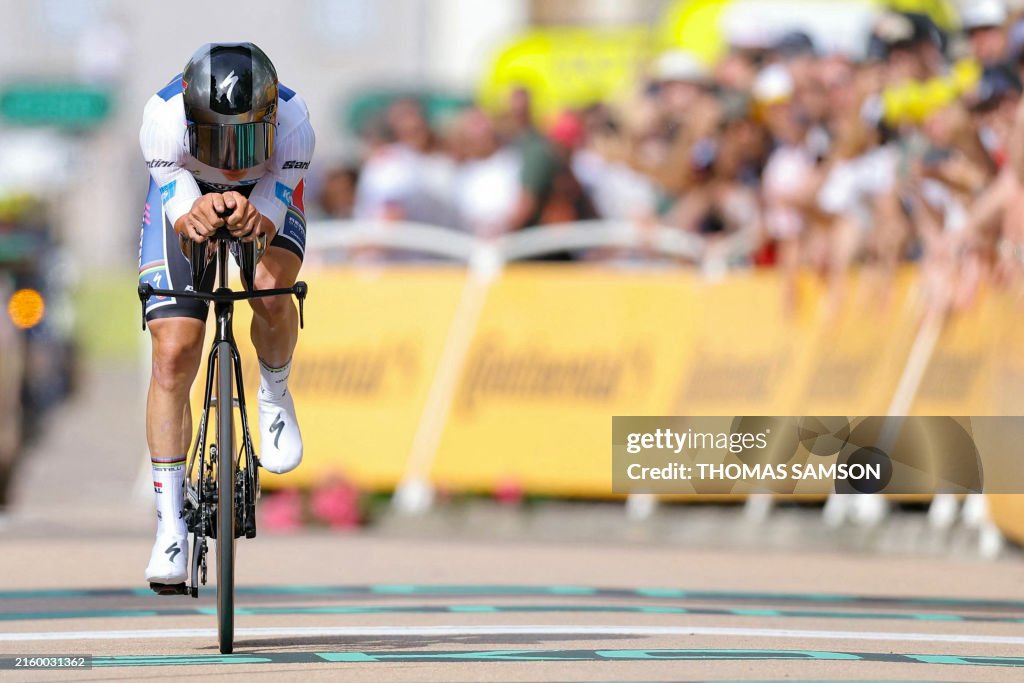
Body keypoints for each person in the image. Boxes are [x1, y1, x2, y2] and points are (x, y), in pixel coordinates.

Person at [138, 42, 314, 588]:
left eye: (248, 138)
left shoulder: (296, 124)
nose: (233, 157)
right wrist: (192, 212)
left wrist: (256, 212)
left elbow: (271, 205)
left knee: (268, 289)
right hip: (185, 187)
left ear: (272, 120)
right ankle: (170, 526)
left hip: (265, 192)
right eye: (217, 138)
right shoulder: (161, 120)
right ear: (191, 121)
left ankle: (274, 393)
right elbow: (179, 207)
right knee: (173, 350)